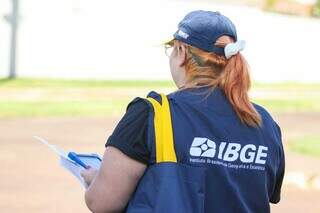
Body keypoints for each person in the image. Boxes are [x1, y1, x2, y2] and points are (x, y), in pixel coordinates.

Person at [80, 10, 285, 213]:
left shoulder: (153, 114)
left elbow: (102, 202)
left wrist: (94, 178)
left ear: (181, 52)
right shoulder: (264, 123)